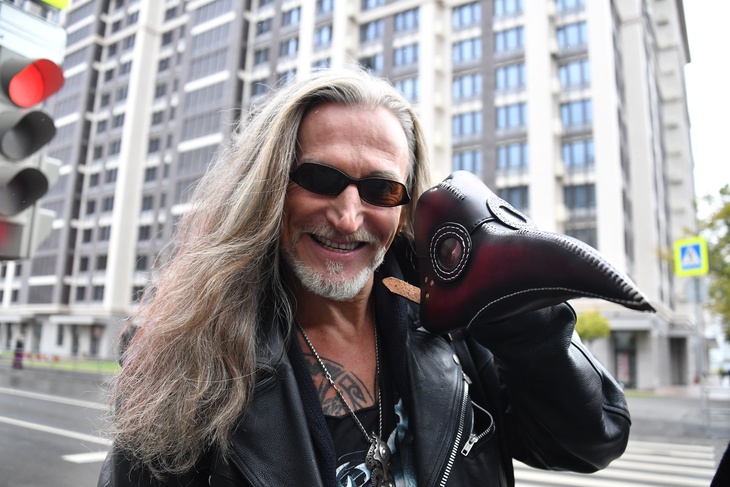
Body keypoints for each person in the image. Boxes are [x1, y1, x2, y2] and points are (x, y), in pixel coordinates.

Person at [99, 68, 632, 487]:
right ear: (269, 187)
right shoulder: (185, 352)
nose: (348, 217)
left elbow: (591, 440)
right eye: (319, 178)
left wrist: (519, 312)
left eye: (381, 190)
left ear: (406, 206)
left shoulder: (454, 328)